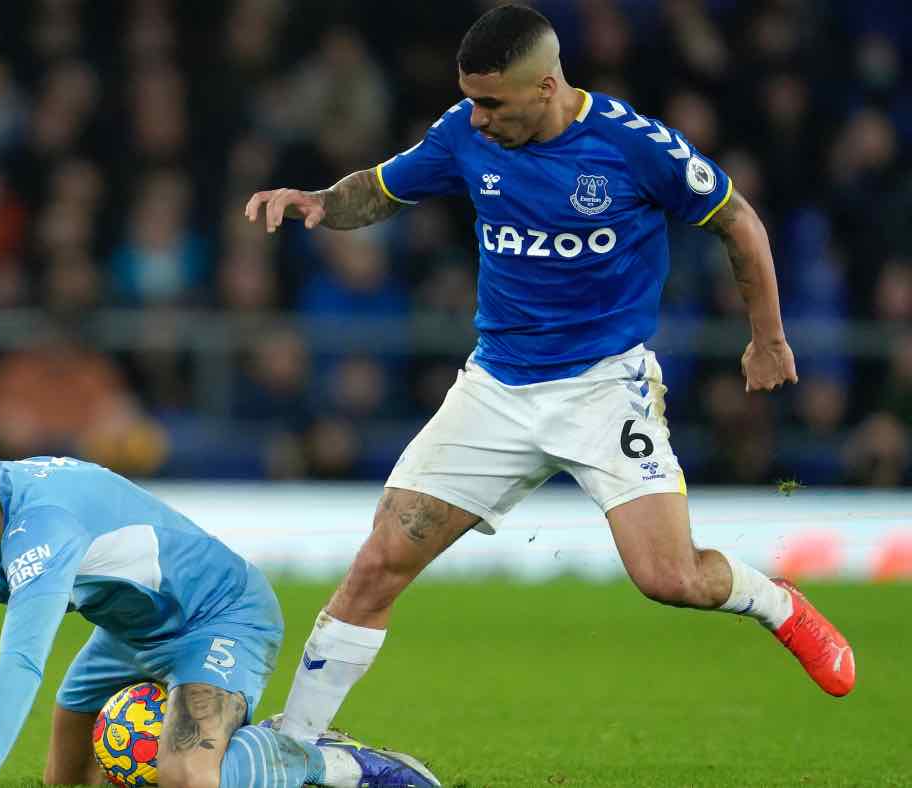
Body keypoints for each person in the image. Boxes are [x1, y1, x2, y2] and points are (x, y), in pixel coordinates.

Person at [244, 4, 855, 748]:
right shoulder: (463, 134)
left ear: (547, 85)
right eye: (470, 99)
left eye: (491, 103)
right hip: (495, 389)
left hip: (603, 388)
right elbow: (381, 186)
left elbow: (739, 222)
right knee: (379, 561)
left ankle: (776, 604)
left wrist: (768, 338)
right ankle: (294, 743)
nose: (476, 119)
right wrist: (318, 202)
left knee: (669, 578)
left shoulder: (633, 147)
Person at [0, 410, 439, 788]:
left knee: (184, 773)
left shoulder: (43, 526)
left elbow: (17, 664)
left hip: (218, 613)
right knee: (64, 779)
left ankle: (323, 762)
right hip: (128, 629)